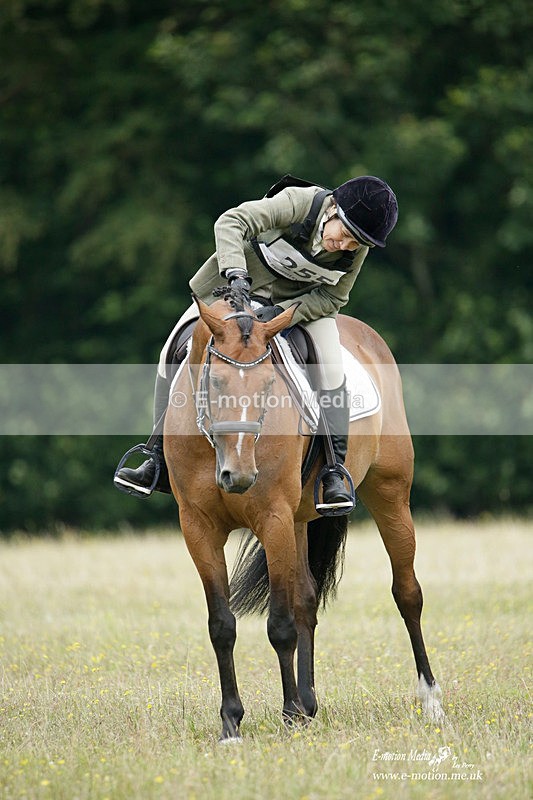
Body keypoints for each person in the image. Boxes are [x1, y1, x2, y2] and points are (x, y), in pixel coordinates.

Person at [114, 174, 398, 512]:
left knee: (332, 369)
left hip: (296, 309)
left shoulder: (357, 246)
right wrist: (235, 274)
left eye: (356, 243)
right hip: (235, 292)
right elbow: (231, 221)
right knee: (171, 348)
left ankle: (334, 471)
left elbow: (335, 297)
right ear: (333, 210)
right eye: (346, 235)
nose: (347, 246)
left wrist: (284, 312)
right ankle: (156, 455)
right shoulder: (298, 203)